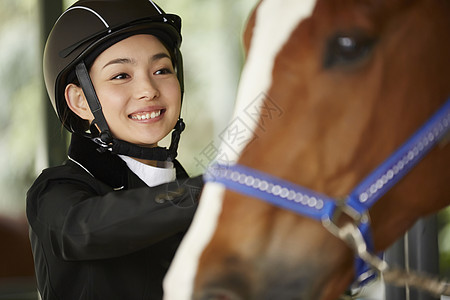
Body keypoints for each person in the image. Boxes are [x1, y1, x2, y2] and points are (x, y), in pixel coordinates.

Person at [26, 0, 203, 299]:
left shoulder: (190, 189)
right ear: (80, 101)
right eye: (121, 75)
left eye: (162, 69)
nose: (148, 89)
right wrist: (212, 191)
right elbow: (83, 230)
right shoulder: (53, 193)